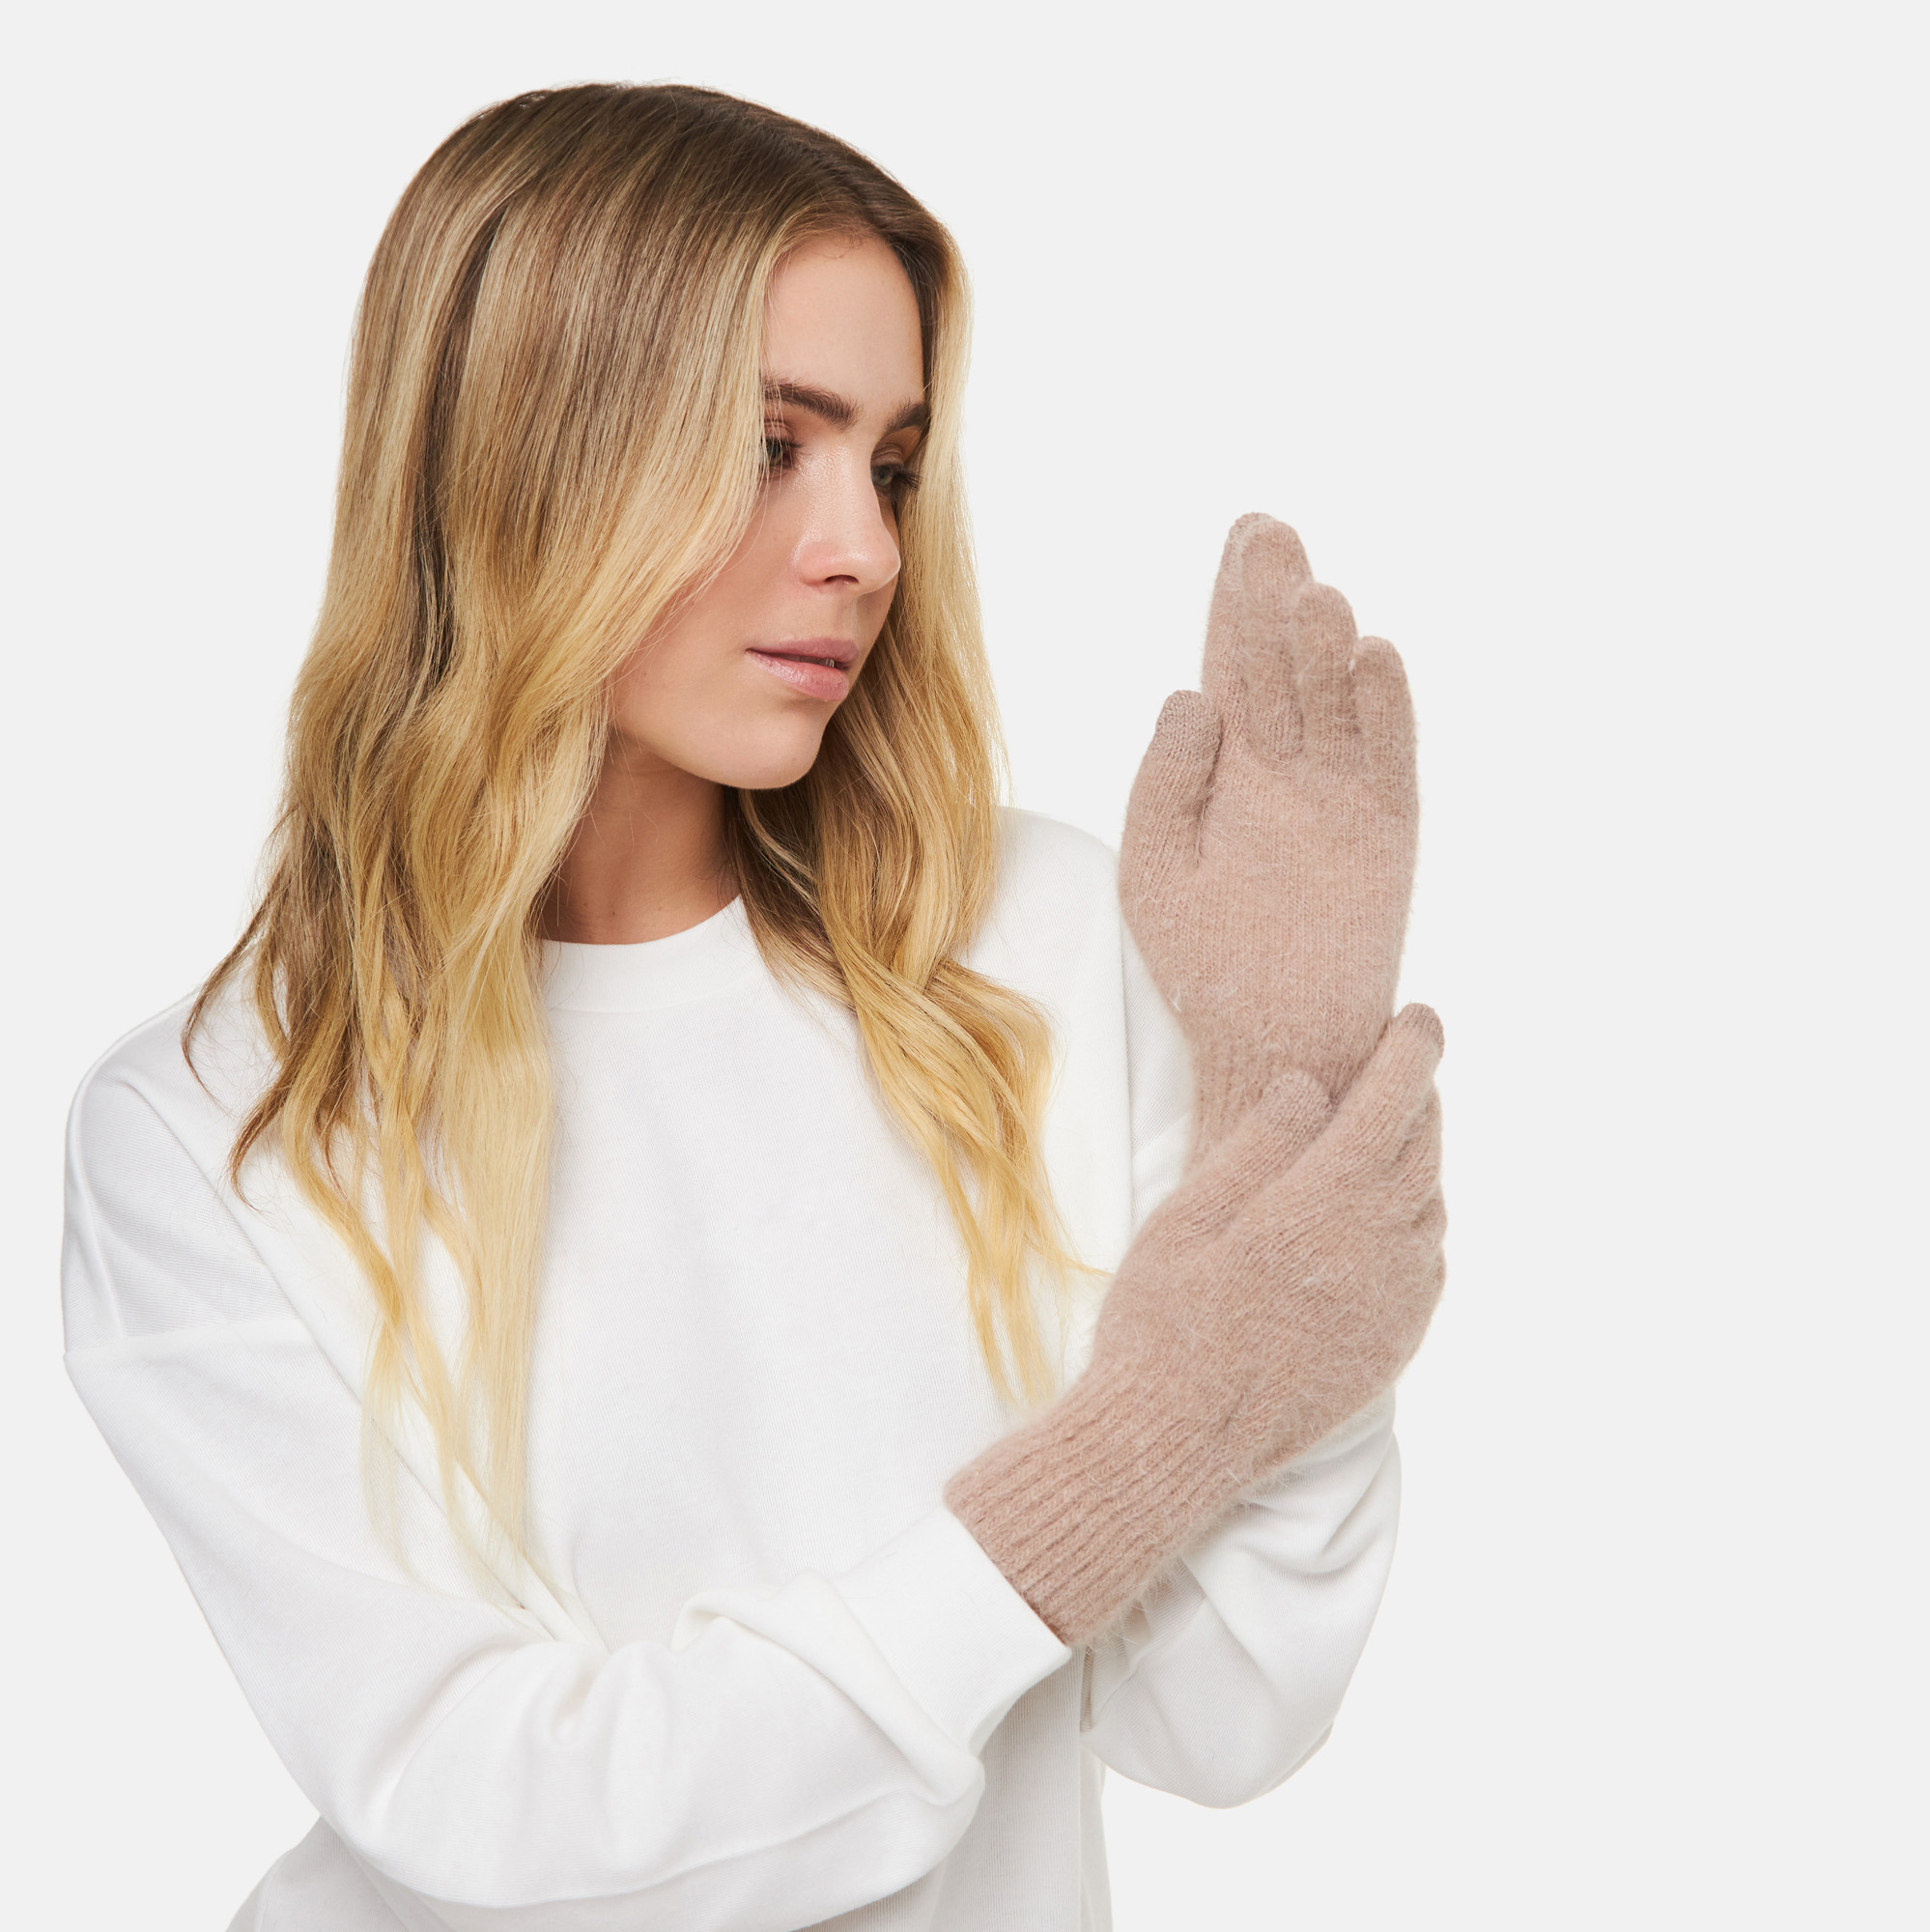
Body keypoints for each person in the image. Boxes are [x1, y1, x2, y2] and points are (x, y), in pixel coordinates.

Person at [60, 82, 1447, 1931]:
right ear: (522, 455)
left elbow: (1225, 1716)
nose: (865, 549)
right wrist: (1127, 1457)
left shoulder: (1034, 951)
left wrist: (1285, 1117)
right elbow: (502, 1815)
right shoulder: (217, 1129)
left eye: (890, 464)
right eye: (768, 445)